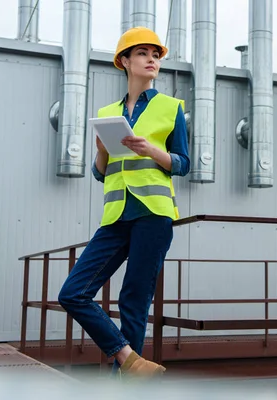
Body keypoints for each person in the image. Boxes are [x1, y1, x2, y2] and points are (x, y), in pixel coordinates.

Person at [58, 26, 190, 377]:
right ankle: (129, 360)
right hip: (116, 215)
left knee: (133, 301)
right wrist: (101, 153)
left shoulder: (171, 108)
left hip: (154, 215)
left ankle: (124, 383)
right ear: (125, 61)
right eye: (143, 54)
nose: (151, 60)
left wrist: (153, 151)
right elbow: (101, 173)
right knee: (72, 293)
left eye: (155, 55)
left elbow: (183, 163)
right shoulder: (108, 113)